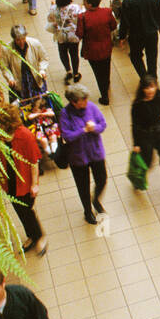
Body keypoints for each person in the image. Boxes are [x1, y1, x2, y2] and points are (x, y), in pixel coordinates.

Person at [0, 107, 47, 255]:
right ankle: (32, 235)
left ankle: (39, 236)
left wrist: (34, 184)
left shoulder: (25, 136)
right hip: (9, 181)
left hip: (24, 183)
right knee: (20, 211)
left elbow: (33, 161)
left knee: (27, 211)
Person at [57, 84, 108, 224]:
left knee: (102, 179)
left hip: (95, 152)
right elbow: (67, 136)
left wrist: (95, 128)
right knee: (83, 186)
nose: (86, 101)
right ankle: (87, 211)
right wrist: (84, 130)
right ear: (74, 102)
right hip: (78, 157)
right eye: (83, 99)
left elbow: (103, 124)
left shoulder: (91, 107)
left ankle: (96, 199)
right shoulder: (65, 114)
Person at [130, 75, 160, 203]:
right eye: (147, 87)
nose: (151, 90)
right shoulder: (137, 105)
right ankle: (137, 179)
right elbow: (135, 126)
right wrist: (136, 144)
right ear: (143, 89)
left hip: (159, 132)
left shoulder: (158, 95)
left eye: (152, 87)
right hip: (145, 136)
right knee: (147, 162)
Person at [116, 0, 160, 79]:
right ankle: (153, 76)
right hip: (152, 32)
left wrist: (122, 36)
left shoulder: (129, 0)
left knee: (135, 56)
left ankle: (144, 77)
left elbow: (125, 20)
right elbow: (159, 11)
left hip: (136, 34)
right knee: (152, 56)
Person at [76, 0, 117, 105]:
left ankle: (104, 96)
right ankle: (107, 83)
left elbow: (79, 34)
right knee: (106, 67)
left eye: (84, 1)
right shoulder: (107, 12)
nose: (83, 3)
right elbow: (113, 26)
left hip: (92, 50)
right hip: (106, 46)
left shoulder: (82, 17)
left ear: (89, 4)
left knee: (98, 73)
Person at [46, 0, 83, 83]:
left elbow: (50, 19)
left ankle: (68, 71)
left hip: (60, 34)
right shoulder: (75, 7)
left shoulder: (53, 8)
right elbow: (80, 18)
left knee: (63, 53)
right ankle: (76, 73)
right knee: (74, 54)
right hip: (73, 35)